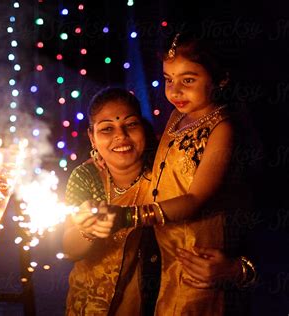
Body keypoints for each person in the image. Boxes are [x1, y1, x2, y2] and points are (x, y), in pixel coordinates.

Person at [62, 87, 250, 315]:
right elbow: (69, 249)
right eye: (107, 129)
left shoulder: (165, 171)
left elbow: (212, 214)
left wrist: (238, 269)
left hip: (164, 299)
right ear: (92, 137)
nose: (120, 136)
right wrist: (88, 230)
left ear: (143, 127)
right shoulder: (86, 177)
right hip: (95, 305)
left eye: (130, 124)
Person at [111, 31, 257, 315]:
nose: (174, 91)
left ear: (220, 78)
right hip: (169, 256)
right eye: (168, 79)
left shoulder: (222, 129)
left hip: (199, 262)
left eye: (188, 80)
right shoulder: (179, 115)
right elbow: (168, 161)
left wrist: (131, 216)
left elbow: (193, 199)